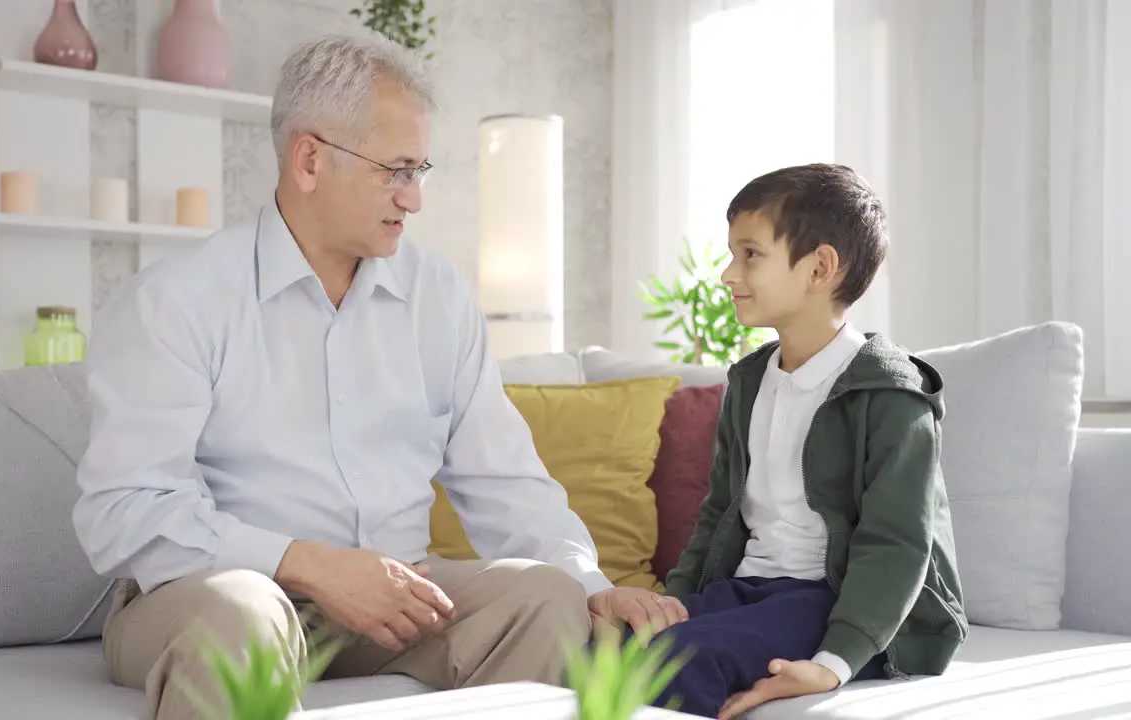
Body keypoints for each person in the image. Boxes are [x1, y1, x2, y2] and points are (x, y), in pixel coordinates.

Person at [72, 33, 685, 720]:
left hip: (394, 603)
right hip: (215, 597)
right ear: (309, 160)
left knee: (544, 595)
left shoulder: (440, 298)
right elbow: (121, 511)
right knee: (242, 615)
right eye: (395, 171)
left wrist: (588, 580)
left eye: (421, 169)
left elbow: (503, 479)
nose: (415, 198)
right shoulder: (176, 301)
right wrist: (307, 564)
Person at [653, 164, 968, 719]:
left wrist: (834, 662)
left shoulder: (891, 392)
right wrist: (672, 604)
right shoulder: (749, 381)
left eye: (750, 254)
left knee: (682, 660)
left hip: (840, 601)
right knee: (607, 651)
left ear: (820, 267)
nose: (728, 274)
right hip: (753, 589)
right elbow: (719, 514)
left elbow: (897, 544)